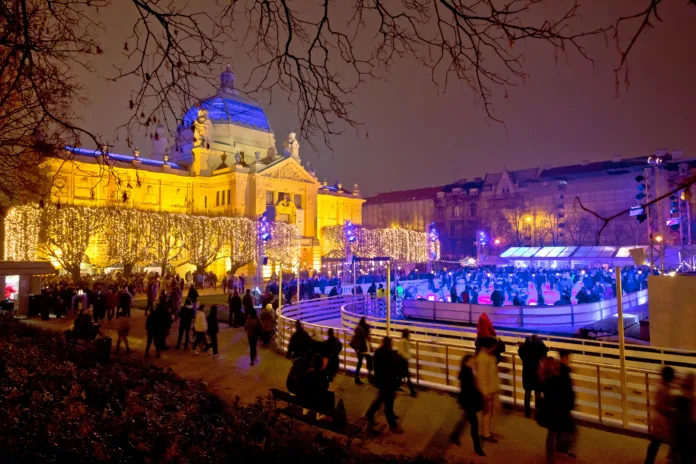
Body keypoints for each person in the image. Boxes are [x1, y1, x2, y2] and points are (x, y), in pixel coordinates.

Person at [366, 337, 404, 433]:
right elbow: (392, 369)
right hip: (388, 383)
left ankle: (369, 414)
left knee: (380, 400)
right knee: (388, 405)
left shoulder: (379, 353)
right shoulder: (389, 355)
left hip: (382, 382)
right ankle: (393, 426)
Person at [449, 354, 485, 456]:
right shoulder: (467, 374)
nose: (474, 362)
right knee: (474, 425)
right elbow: (469, 390)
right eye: (472, 361)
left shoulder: (467, 372)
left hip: (467, 401)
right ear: (466, 362)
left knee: (465, 419)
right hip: (469, 402)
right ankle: (477, 448)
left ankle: (454, 435)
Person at [544, 350, 576, 463]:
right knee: (559, 431)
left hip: (557, 407)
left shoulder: (554, 374)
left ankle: (555, 453)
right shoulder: (557, 375)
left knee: (554, 431)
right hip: (558, 407)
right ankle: (556, 453)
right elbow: (563, 391)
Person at [645, 366, 677, 464]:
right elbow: (661, 405)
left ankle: (649, 461)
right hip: (661, 420)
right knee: (658, 442)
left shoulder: (662, 386)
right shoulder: (663, 389)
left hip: (659, 420)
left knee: (655, 442)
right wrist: (672, 410)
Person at [474, 338, 500, 443]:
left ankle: (483, 430)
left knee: (487, 413)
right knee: (487, 413)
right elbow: (481, 377)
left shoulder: (489, 356)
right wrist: (485, 393)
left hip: (491, 389)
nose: (494, 349)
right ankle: (486, 433)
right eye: (493, 347)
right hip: (487, 391)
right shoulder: (483, 358)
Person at [518, 334, 549, 418]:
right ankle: (537, 412)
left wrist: (522, 346)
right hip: (536, 373)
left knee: (527, 392)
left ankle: (527, 413)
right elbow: (545, 353)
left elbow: (520, 352)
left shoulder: (525, 349)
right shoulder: (538, 348)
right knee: (538, 393)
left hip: (527, 373)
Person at [302, 353, 334, 418]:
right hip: (317, 401)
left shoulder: (308, 372)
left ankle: (306, 409)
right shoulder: (322, 374)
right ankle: (321, 413)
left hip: (307, 399)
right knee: (330, 395)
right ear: (321, 363)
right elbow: (326, 386)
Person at [674, 373, 695, 464]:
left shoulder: (679, 397)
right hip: (689, 430)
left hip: (681, 430)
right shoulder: (692, 398)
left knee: (683, 455)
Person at [350, 317, 373, 384]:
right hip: (362, 349)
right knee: (368, 361)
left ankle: (357, 378)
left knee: (361, 363)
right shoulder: (361, 329)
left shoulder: (359, 328)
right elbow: (362, 339)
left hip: (361, 349)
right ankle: (368, 377)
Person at [395, 329, 416, 397]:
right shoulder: (403, 341)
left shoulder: (405, 341)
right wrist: (407, 357)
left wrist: (411, 356)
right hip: (402, 361)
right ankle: (412, 391)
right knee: (407, 376)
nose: (409, 335)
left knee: (401, 375)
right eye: (408, 333)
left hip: (404, 361)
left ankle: (396, 386)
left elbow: (406, 351)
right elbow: (400, 352)